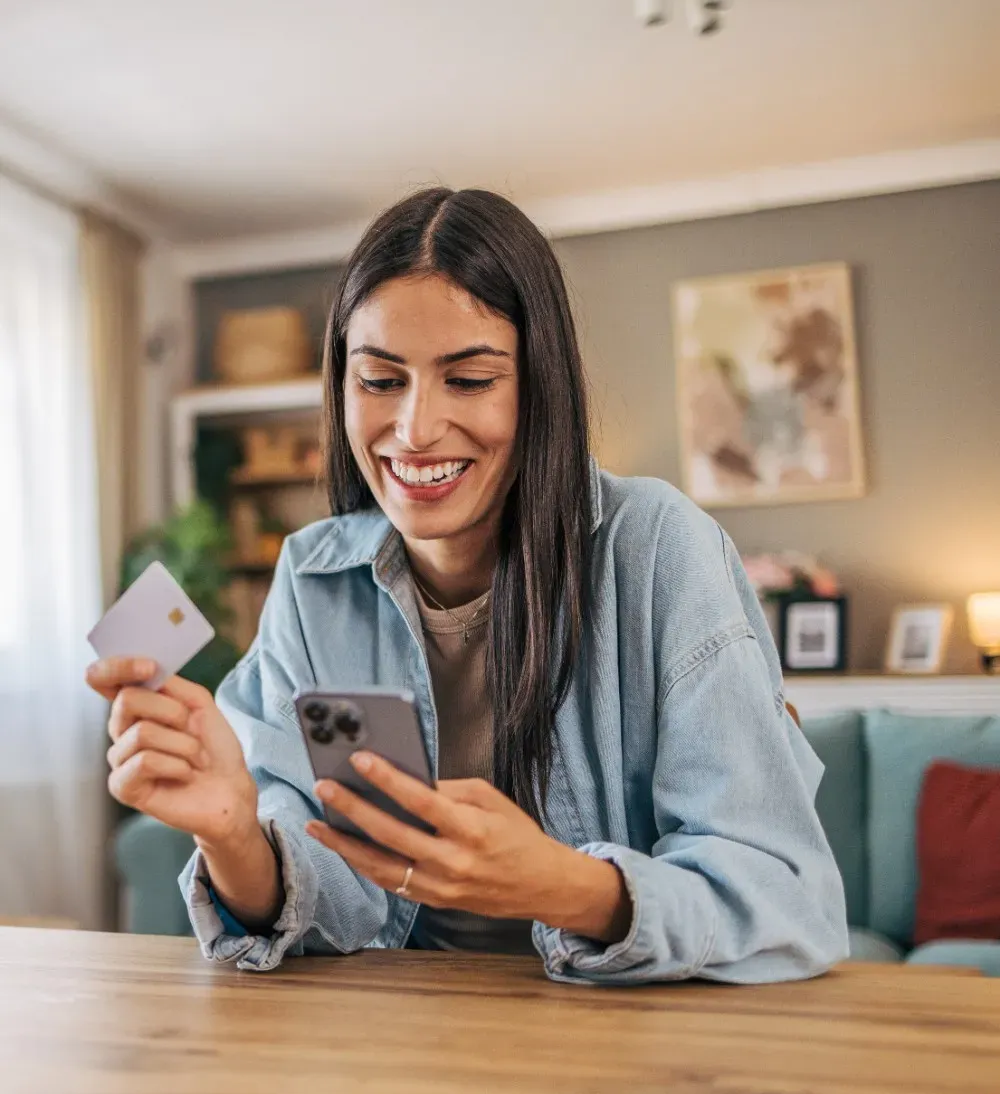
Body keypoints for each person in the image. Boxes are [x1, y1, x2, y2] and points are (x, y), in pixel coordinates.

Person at [86, 188, 848, 984]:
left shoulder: (657, 548)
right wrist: (234, 833)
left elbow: (792, 904)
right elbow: (338, 896)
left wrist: (564, 886)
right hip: (401, 1039)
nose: (414, 429)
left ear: (538, 387)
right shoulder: (316, 583)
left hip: (625, 1043)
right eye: (380, 380)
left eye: (470, 379)